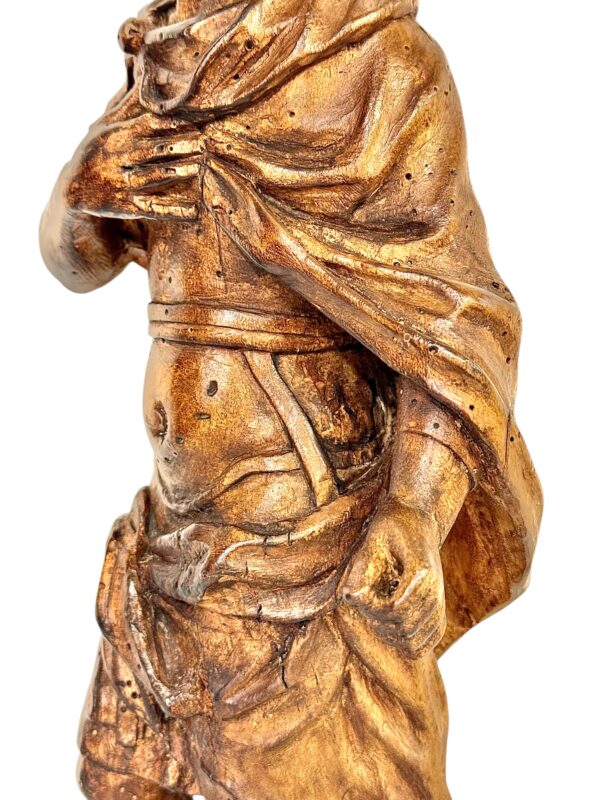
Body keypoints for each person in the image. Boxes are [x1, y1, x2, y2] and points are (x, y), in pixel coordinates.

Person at [40, 2, 542, 798]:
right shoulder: (167, 65)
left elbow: (454, 325)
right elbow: (81, 260)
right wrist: (81, 188)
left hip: (310, 560)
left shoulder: (385, 67)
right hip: (169, 548)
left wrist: (413, 507)